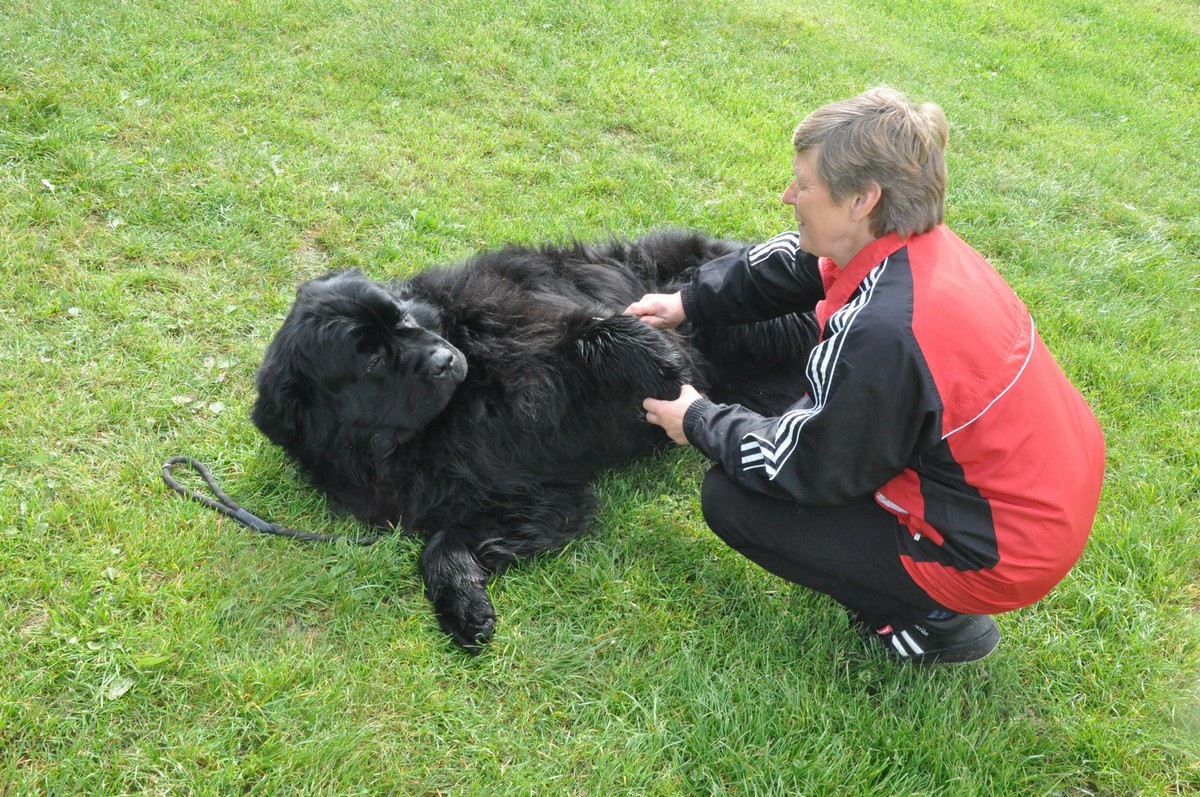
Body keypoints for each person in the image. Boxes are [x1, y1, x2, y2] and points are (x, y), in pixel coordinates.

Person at [625, 87, 1105, 664]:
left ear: (862, 199)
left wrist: (698, 418)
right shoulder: (909, 245)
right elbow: (798, 262)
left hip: (997, 551)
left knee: (735, 500)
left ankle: (936, 620)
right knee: (793, 420)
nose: (788, 196)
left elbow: (803, 468)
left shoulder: (883, 333)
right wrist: (689, 301)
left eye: (803, 184)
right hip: (1041, 489)